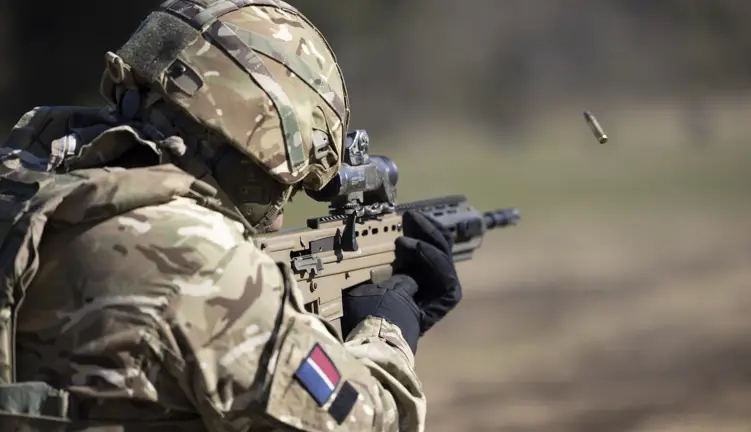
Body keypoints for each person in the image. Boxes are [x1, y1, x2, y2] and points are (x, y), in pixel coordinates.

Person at [0, 1, 463, 431]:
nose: (278, 219)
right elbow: (366, 422)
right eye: (273, 190)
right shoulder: (195, 262)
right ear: (242, 150)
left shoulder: (24, 182)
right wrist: (390, 331)